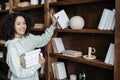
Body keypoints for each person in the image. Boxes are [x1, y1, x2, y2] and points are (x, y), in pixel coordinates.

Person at [0, 12, 57, 80]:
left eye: (24, 23)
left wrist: (53, 25)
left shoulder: (28, 37)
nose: (23, 26)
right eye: (18, 24)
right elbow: (19, 74)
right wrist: (38, 64)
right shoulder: (12, 48)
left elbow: (43, 39)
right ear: (11, 26)